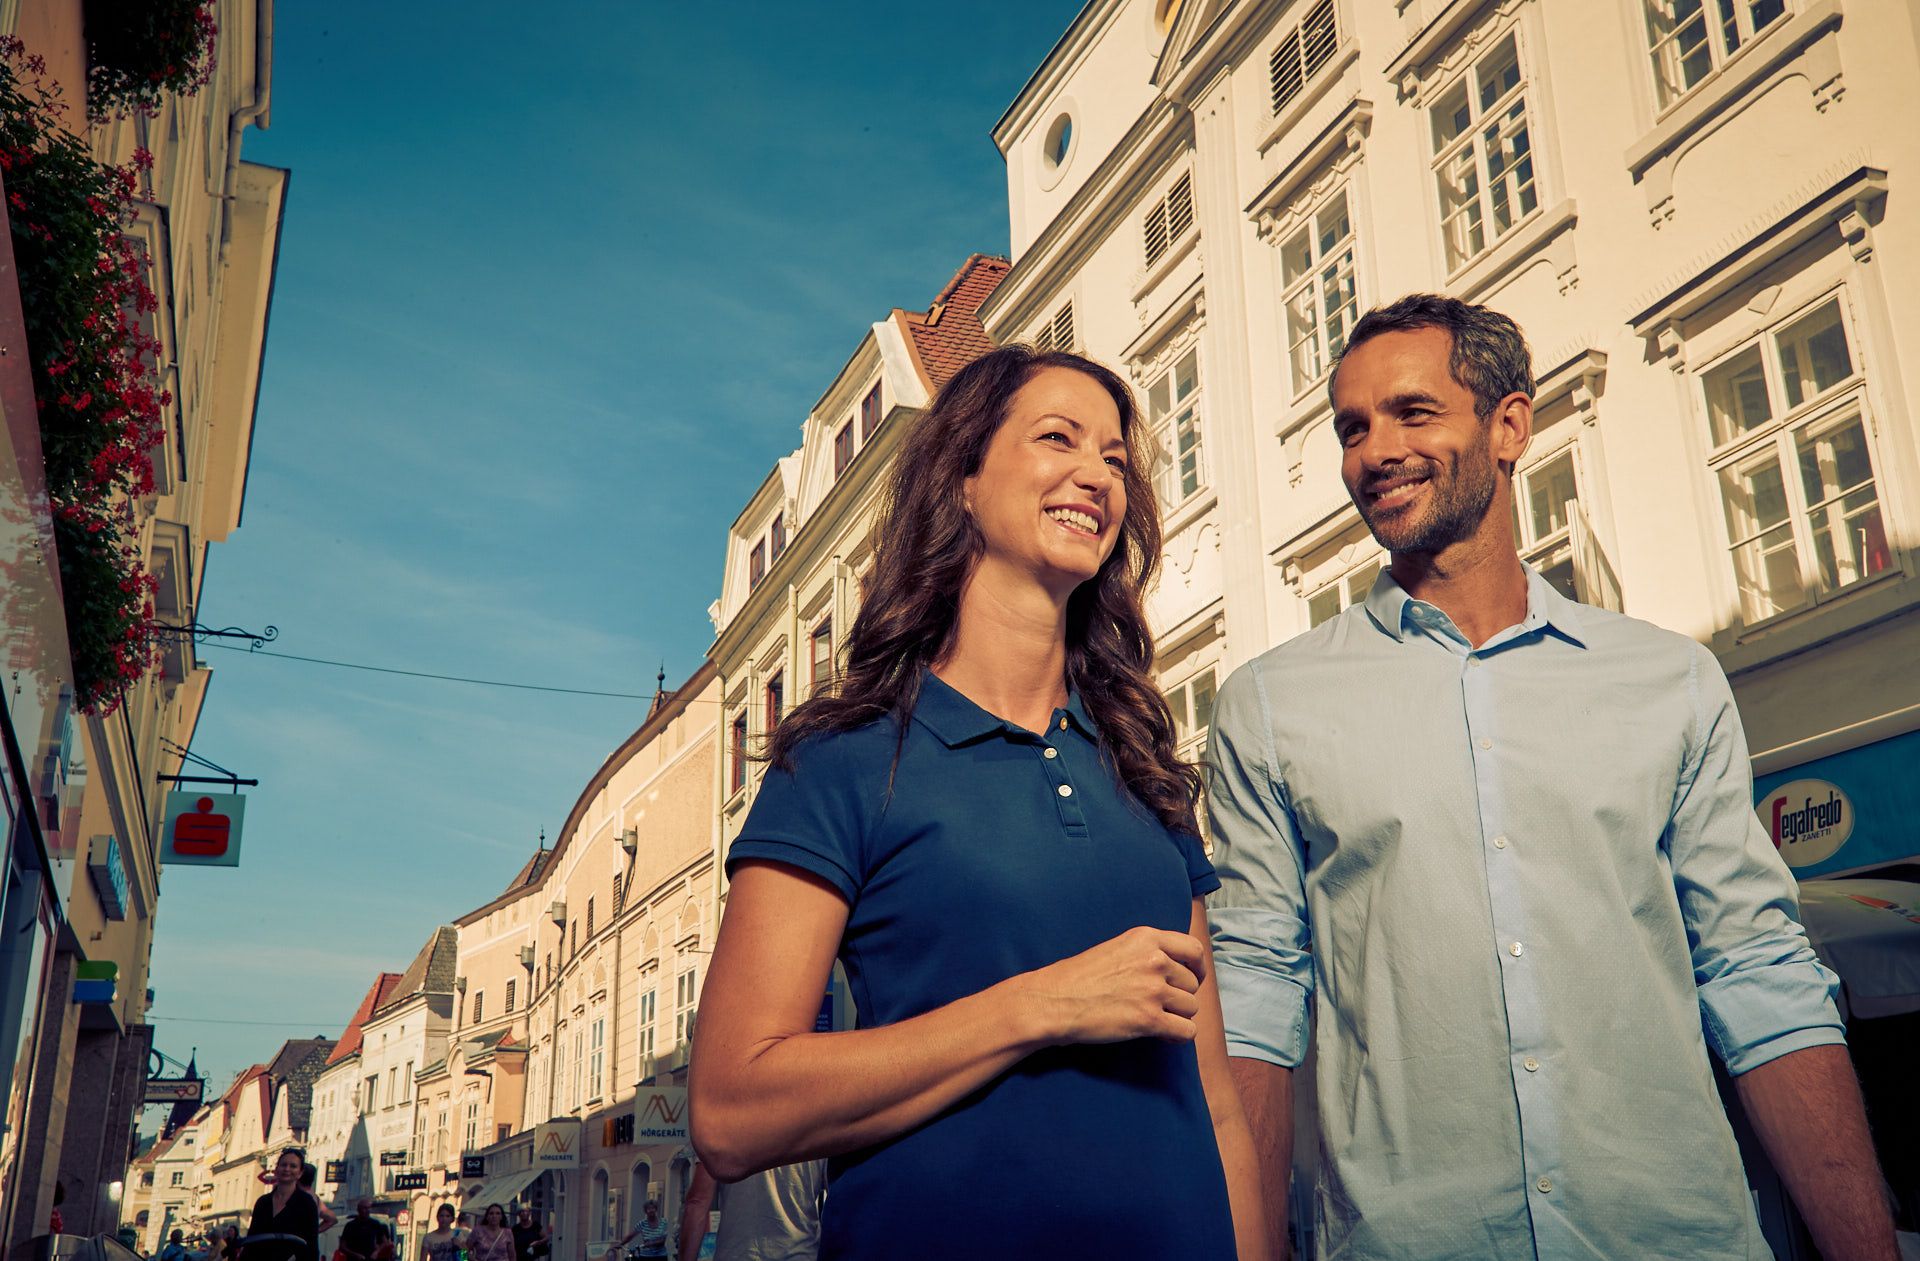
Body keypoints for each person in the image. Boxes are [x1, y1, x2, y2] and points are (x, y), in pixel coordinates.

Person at [1207, 293, 1900, 1261]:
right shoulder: (1269, 704)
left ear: (1510, 425)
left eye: (1413, 412)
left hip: (1674, 1237)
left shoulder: (1669, 678)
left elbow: (1757, 973)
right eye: (1352, 428)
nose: (1374, 452)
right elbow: (1255, 996)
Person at [690, 345, 1262, 1259]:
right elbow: (729, 1110)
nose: (1097, 474)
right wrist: (1044, 1004)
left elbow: (1219, 1108)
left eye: (1116, 458)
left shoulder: (1146, 771)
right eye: (1058, 439)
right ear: (962, 478)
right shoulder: (842, 762)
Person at [675, 1163, 824, 1261]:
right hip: (800, 1253)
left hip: (738, 1253)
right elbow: (840, 1199)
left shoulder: (721, 1122)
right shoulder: (818, 1122)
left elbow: (697, 1201)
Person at [242, 1148, 322, 1261]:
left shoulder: (306, 1203)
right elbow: (251, 1241)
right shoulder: (263, 1202)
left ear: (300, 1173)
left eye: (293, 1166)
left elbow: (311, 1246)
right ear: (276, 1169)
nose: (287, 1169)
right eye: (283, 1165)